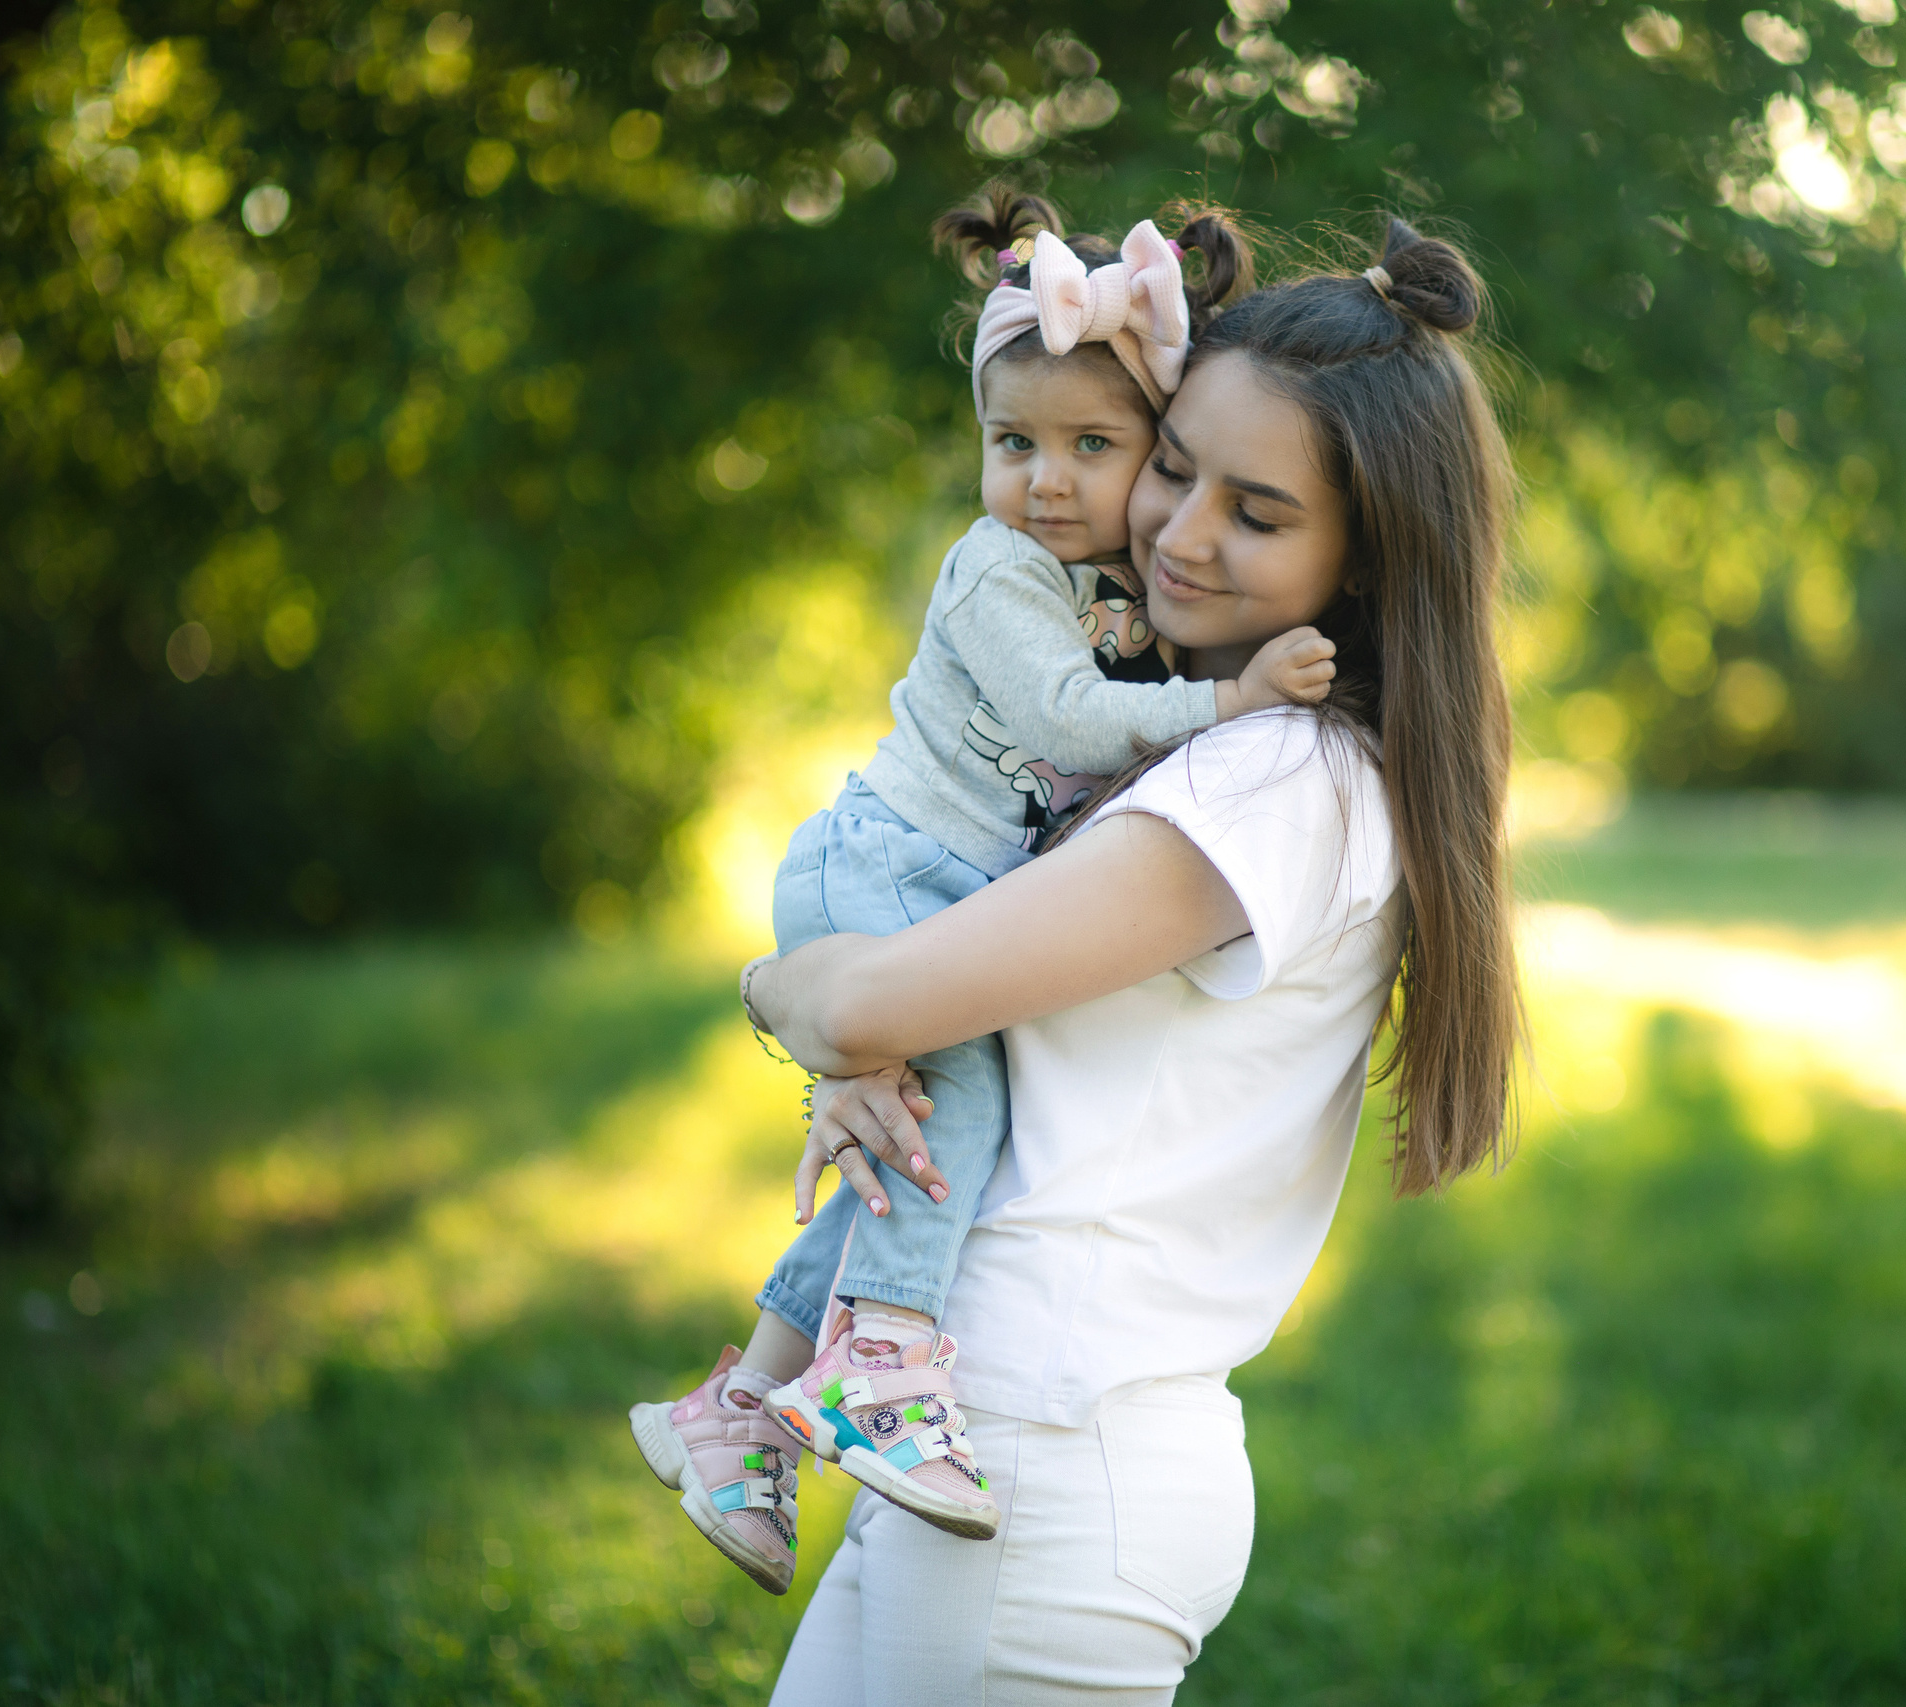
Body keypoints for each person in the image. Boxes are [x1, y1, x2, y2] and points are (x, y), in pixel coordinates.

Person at [743, 214, 1523, 1702]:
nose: (1177, 531)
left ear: (1364, 565)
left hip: (1044, 1462)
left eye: (1259, 511)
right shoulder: (1243, 749)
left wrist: (780, 994)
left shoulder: (1265, 779)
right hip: (992, 1438)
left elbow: (856, 1001)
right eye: (1173, 467)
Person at [627, 189, 1333, 1593]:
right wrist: (1229, 698)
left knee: (907, 1142)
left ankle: (734, 1410)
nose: (1049, 481)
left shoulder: (1119, 580)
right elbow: (1074, 727)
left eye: (1093, 447)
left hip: (938, 889)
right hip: (886, 866)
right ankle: (877, 1372)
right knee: (966, 1109)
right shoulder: (999, 571)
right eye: (1014, 445)